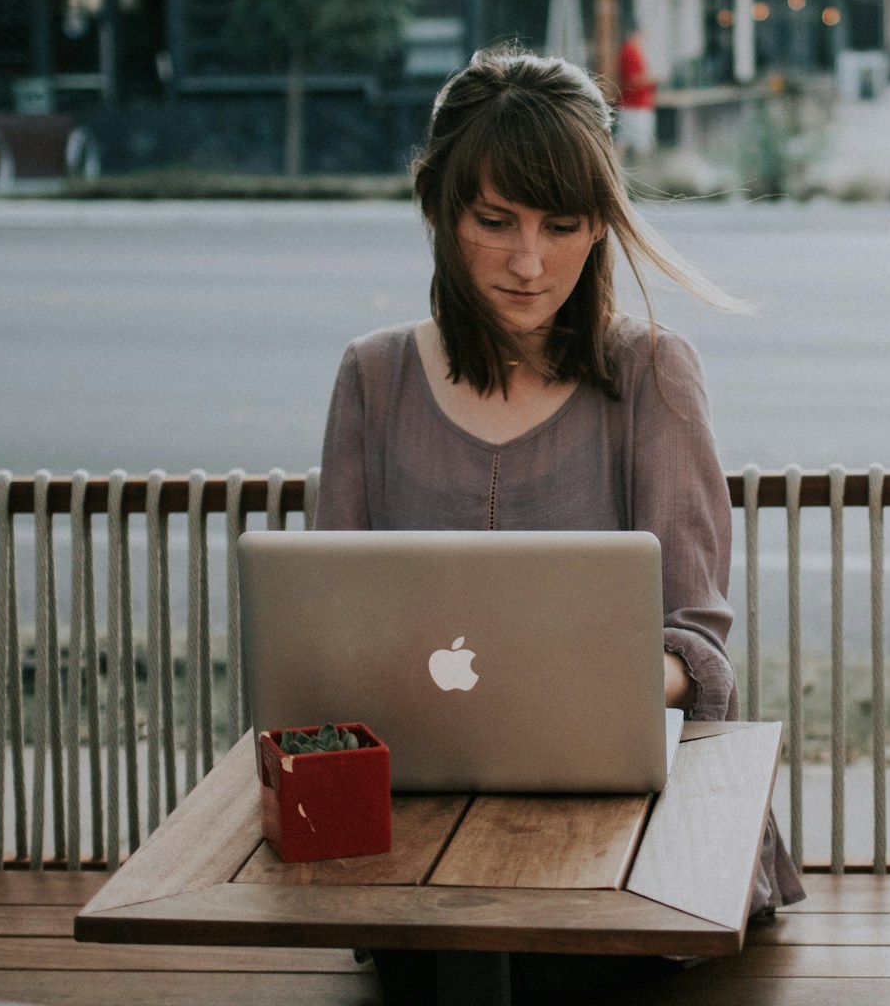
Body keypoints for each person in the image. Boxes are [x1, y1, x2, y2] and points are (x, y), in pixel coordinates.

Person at [314, 48, 802, 1003]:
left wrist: (574, 684)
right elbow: (329, 629)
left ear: (601, 226)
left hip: (626, 836)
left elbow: (697, 649)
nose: (529, 264)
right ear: (437, 208)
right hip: (418, 833)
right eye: (494, 222)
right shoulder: (374, 378)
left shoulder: (652, 374)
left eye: (562, 225)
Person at [614, 25, 658, 162]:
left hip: (637, 105)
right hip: (634, 106)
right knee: (634, 142)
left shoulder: (633, 51)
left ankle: (617, 170)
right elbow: (632, 80)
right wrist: (653, 79)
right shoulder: (629, 52)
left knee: (625, 141)